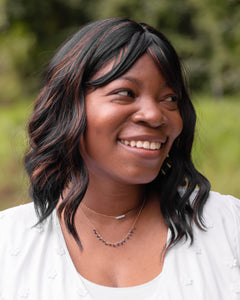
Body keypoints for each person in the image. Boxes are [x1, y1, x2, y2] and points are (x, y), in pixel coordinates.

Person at [0, 17, 239, 300]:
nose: (154, 115)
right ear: (68, 106)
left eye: (170, 99)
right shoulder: (9, 243)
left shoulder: (229, 225)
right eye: (125, 93)